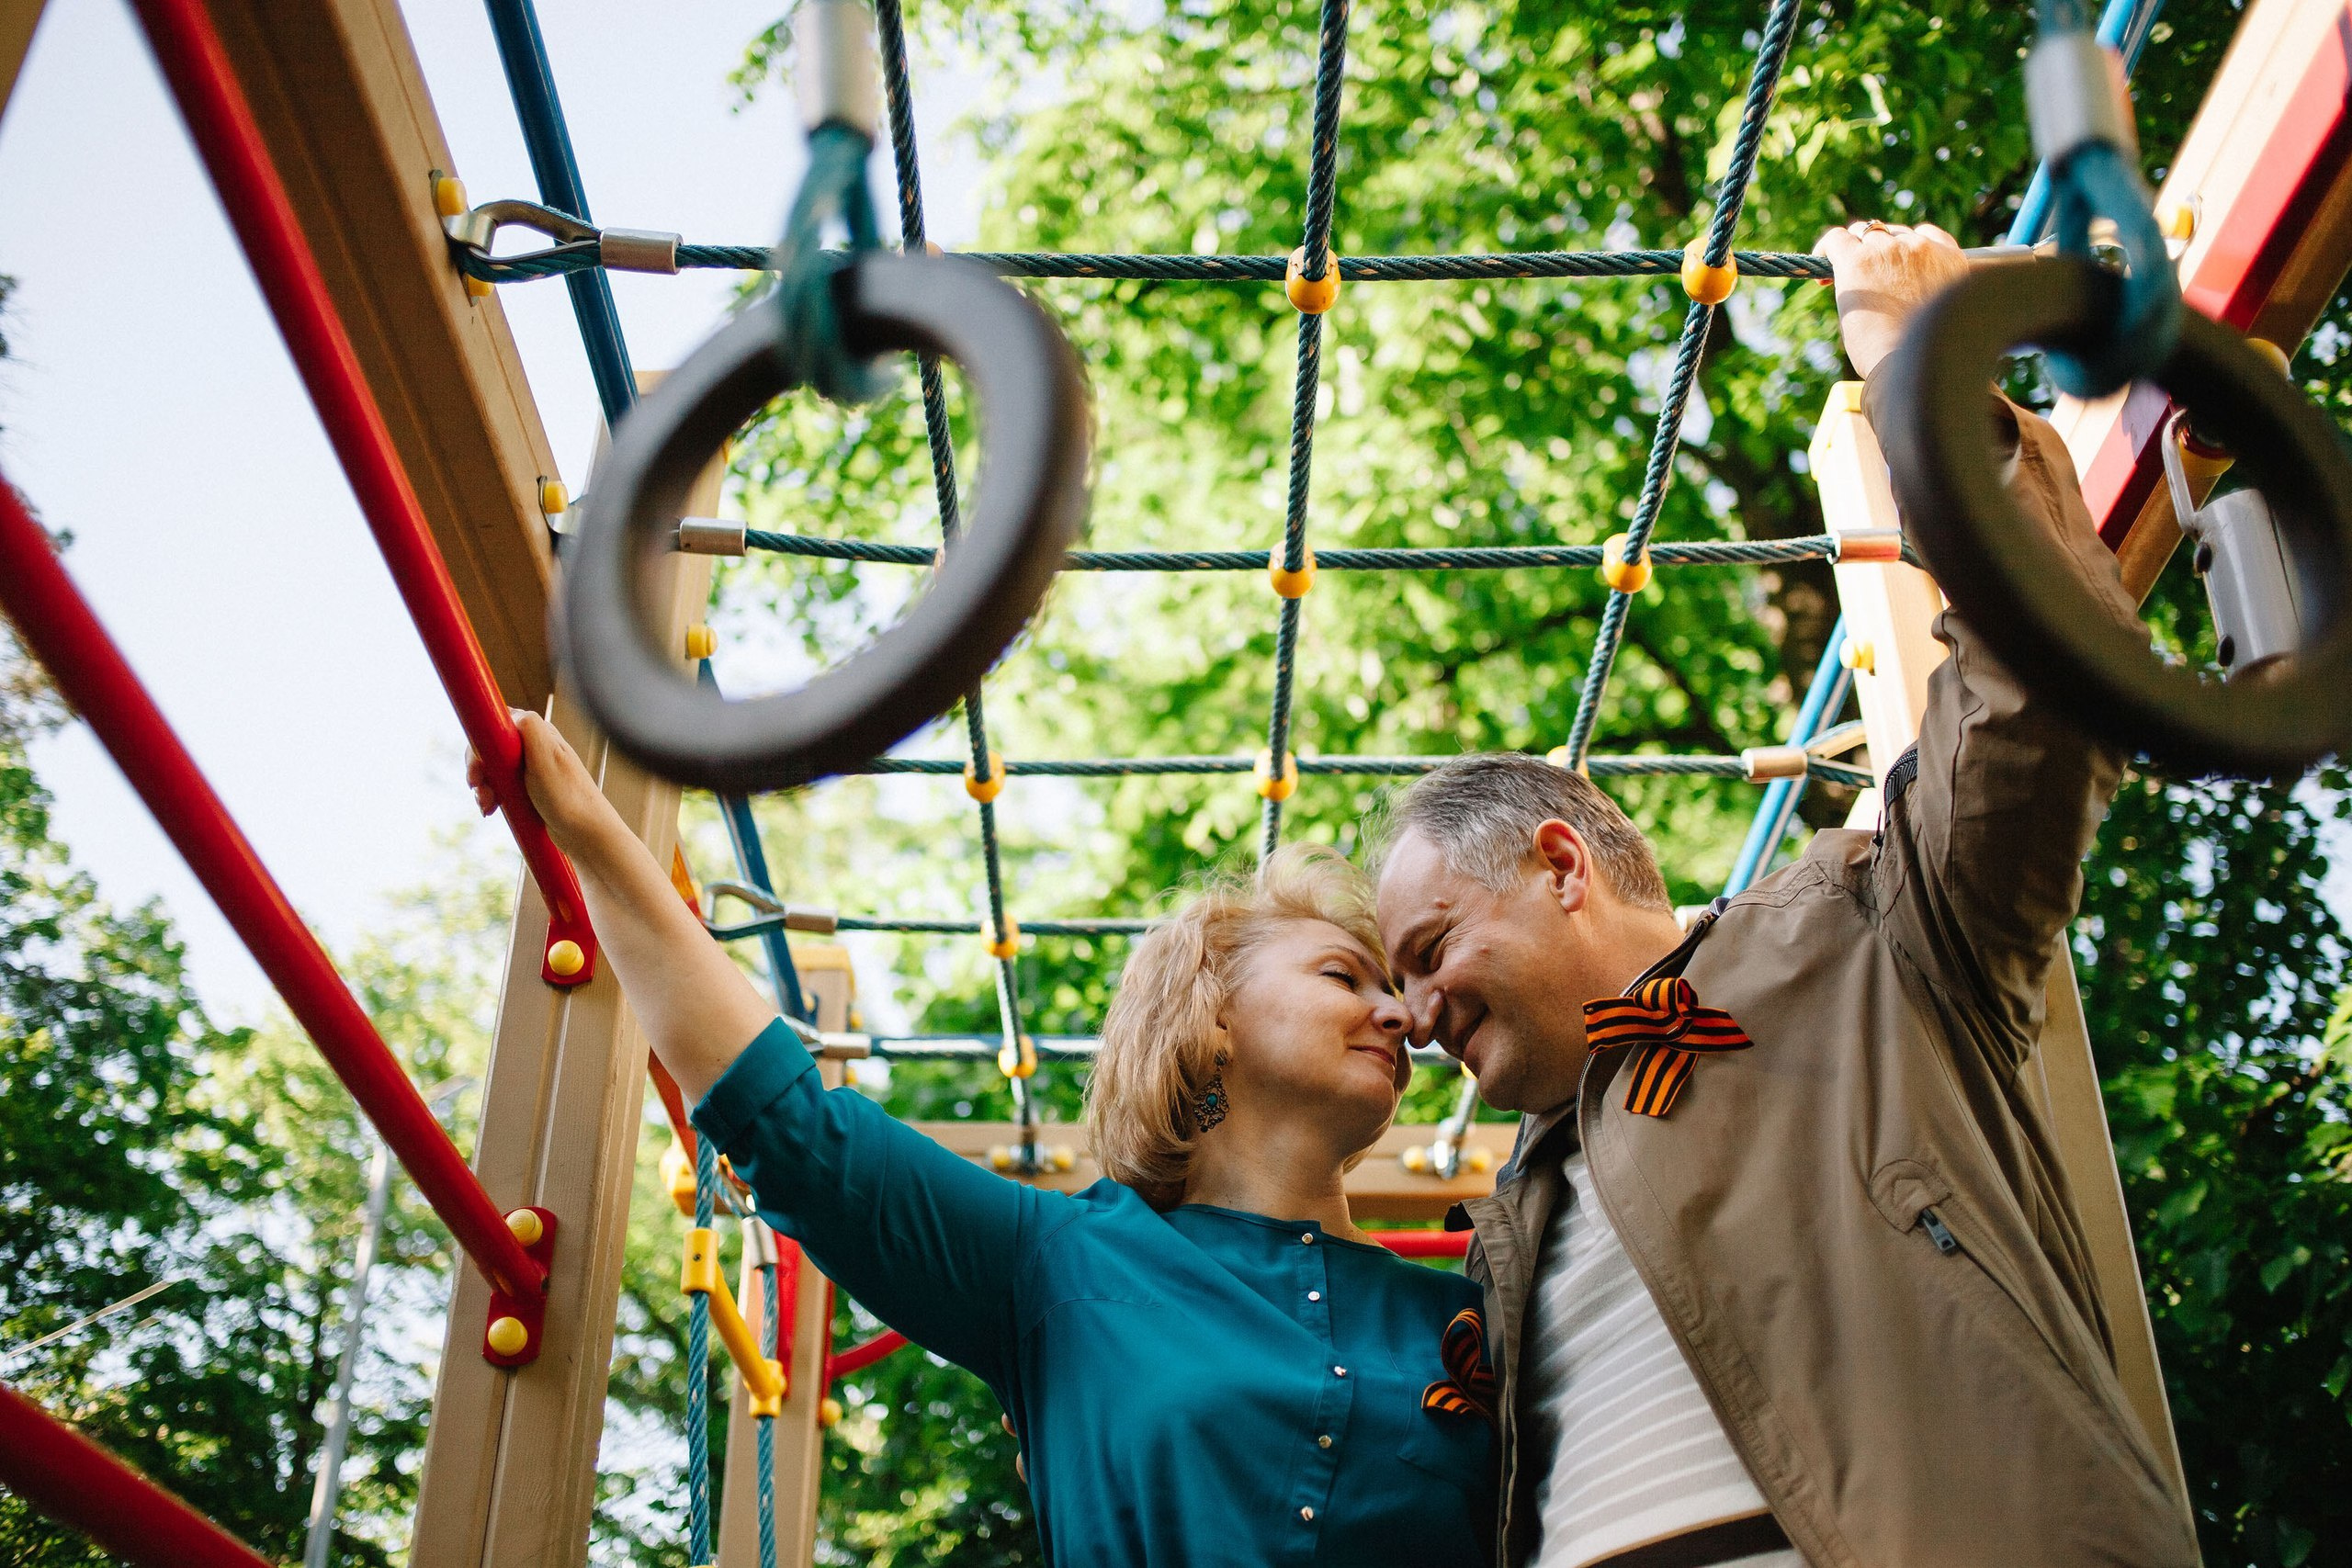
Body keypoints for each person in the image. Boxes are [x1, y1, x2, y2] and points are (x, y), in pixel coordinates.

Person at [1370, 220, 2200, 1568]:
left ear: (1562, 864)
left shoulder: (1864, 933)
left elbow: (2042, 692)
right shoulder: (1515, 1212)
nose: (1410, 1016)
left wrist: (1913, 366)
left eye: (1425, 950)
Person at [471, 731, 1497, 1565]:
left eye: (1393, 992)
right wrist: (585, 824)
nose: (1400, 1018)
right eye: (1342, 978)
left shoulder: (1463, 1314)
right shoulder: (1062, 1267)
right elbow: (786, 1122)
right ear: (1214, 1018)